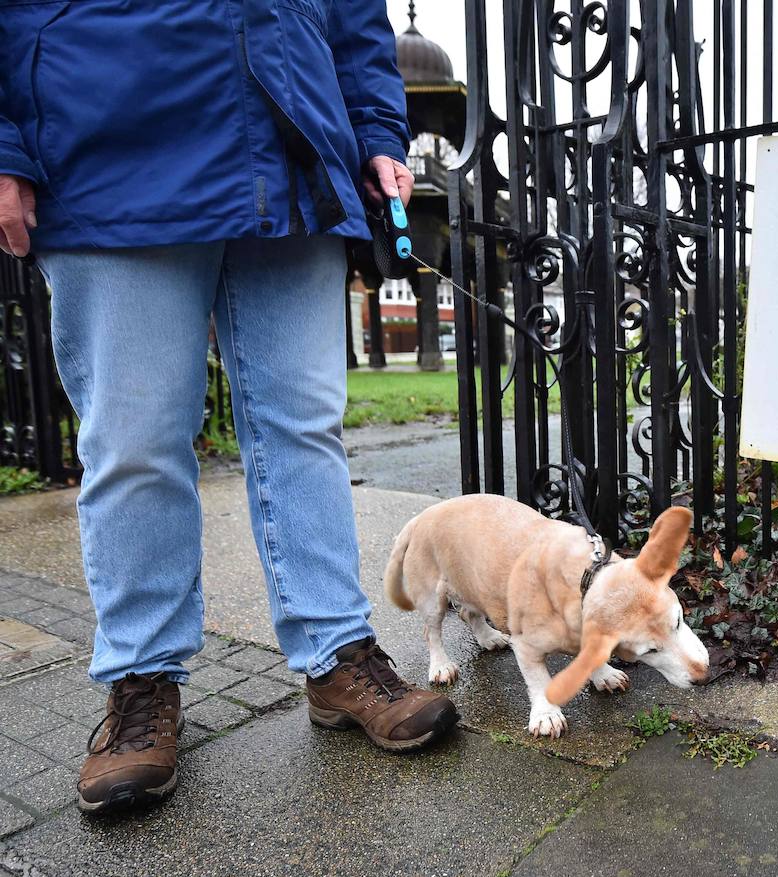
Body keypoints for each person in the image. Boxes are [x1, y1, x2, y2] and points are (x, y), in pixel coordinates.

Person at [0, 0, 458, 814]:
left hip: (291, 138)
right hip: (108, 132)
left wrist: (379, 131)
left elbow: (354, 11)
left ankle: (336, 653)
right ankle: (141, 681)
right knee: (134, 438)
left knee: (304, 426)